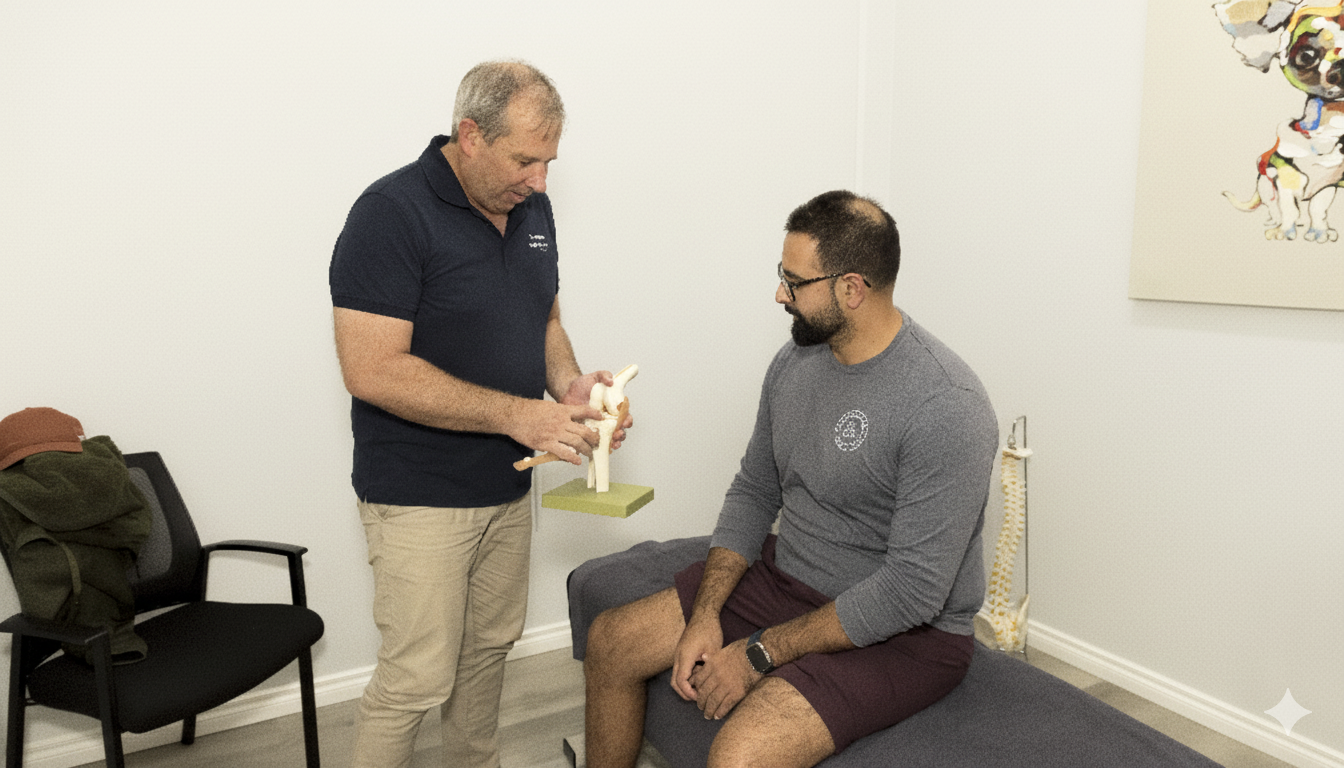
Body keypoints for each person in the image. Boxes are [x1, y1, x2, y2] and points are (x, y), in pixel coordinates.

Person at [583, 191, 998, 768]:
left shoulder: (946, 405)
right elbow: (755, 489)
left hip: (910, 635)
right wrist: (706, 614)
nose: (780, 293)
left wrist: (757, 654)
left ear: (851, 289)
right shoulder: (795, 363)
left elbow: (911, 592)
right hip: (790, 579)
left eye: (794, 281)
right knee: (611, 641)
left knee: (740, 758)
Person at [329, 60, 626, 768]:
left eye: (549, 162)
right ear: (469, 135)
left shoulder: (532, 209)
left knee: (487, 654)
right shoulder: (388, 214)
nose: (541, 180)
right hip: (419, 495)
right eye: (526, 159)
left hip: (507, 488)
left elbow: (542, 315)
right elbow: (370, 370)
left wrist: (568, 387)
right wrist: (517, 415)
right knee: (415, 679)